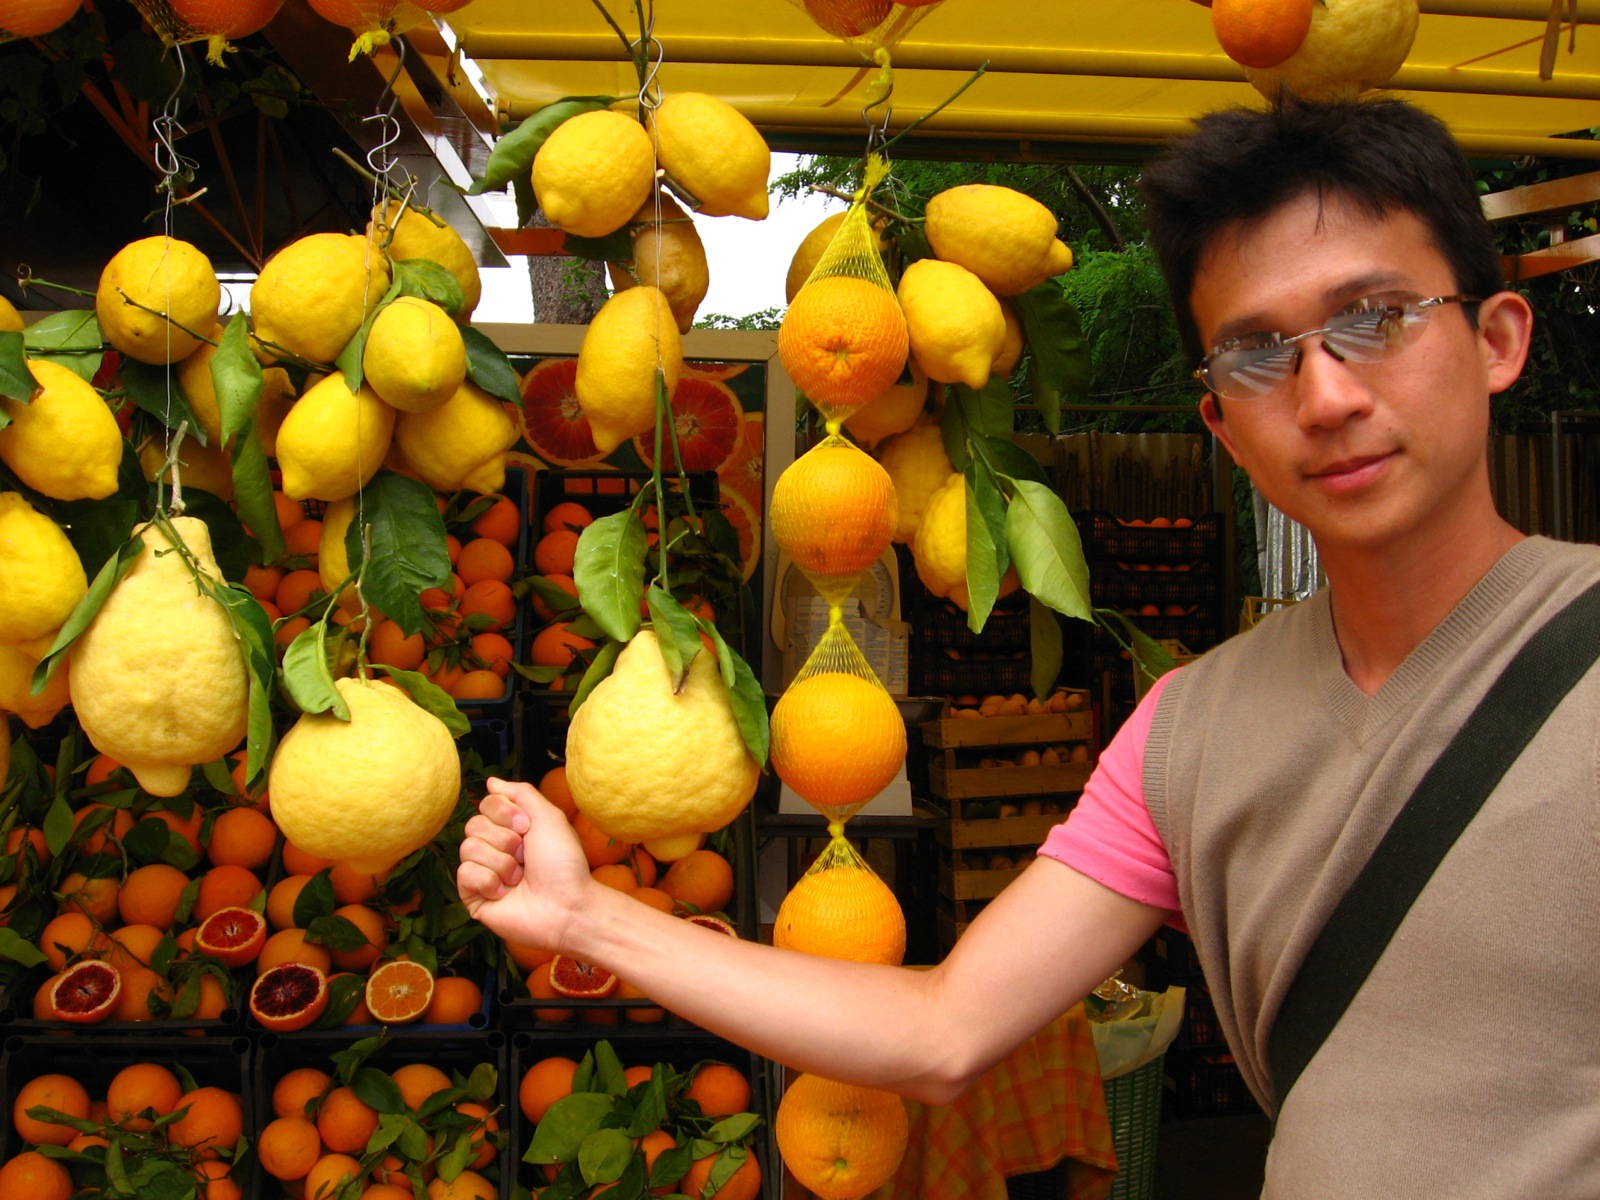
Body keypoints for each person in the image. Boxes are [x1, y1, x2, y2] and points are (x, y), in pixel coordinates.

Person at [460, 97, 1600, 1197]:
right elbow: (944, 1026)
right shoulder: (1188, 733)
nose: (1326, 392)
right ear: (1219, 423)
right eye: (1258, 353)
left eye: (1375, 317)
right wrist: (581, 919)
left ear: (1497, 340)